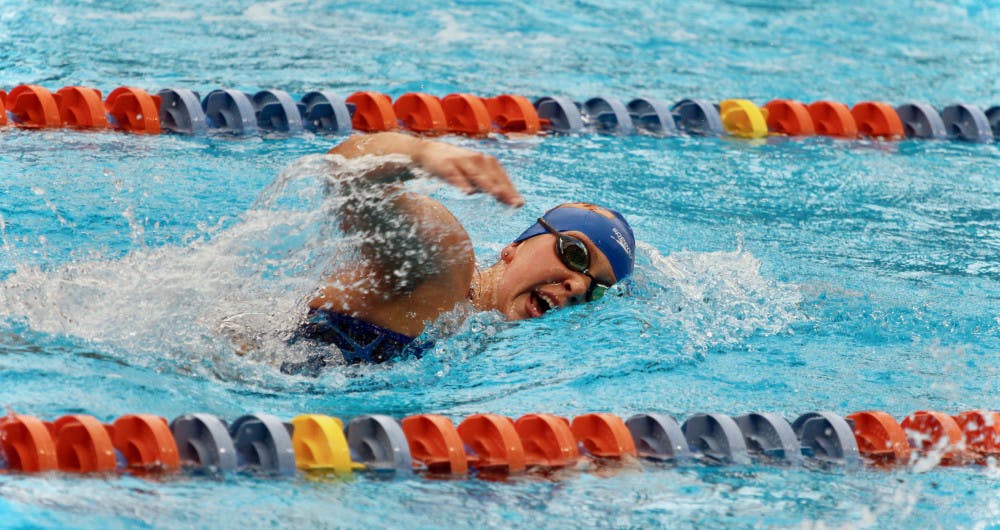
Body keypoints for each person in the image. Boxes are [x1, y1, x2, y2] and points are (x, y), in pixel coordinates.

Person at [284, 131, 635, 371]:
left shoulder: (477, 334)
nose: (578, 286)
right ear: (513, 248)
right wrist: (423, 153)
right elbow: (345, 175)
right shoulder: (445, 265)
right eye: (575, 253)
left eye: (596, 289)